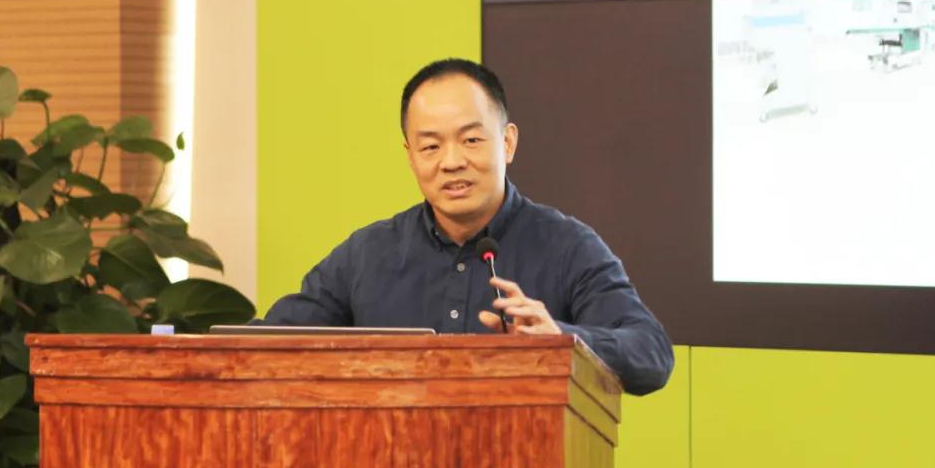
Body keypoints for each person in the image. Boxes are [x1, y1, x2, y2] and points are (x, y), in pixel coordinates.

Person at [262, 58, 673, 394]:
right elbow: (265, 344)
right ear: (410, 156)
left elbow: (651, 353)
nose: (452, 161)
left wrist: (561, 341)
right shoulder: (368, 254)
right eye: (430, 146)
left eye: (471, 140)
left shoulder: (567, 246)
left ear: (507, 142)